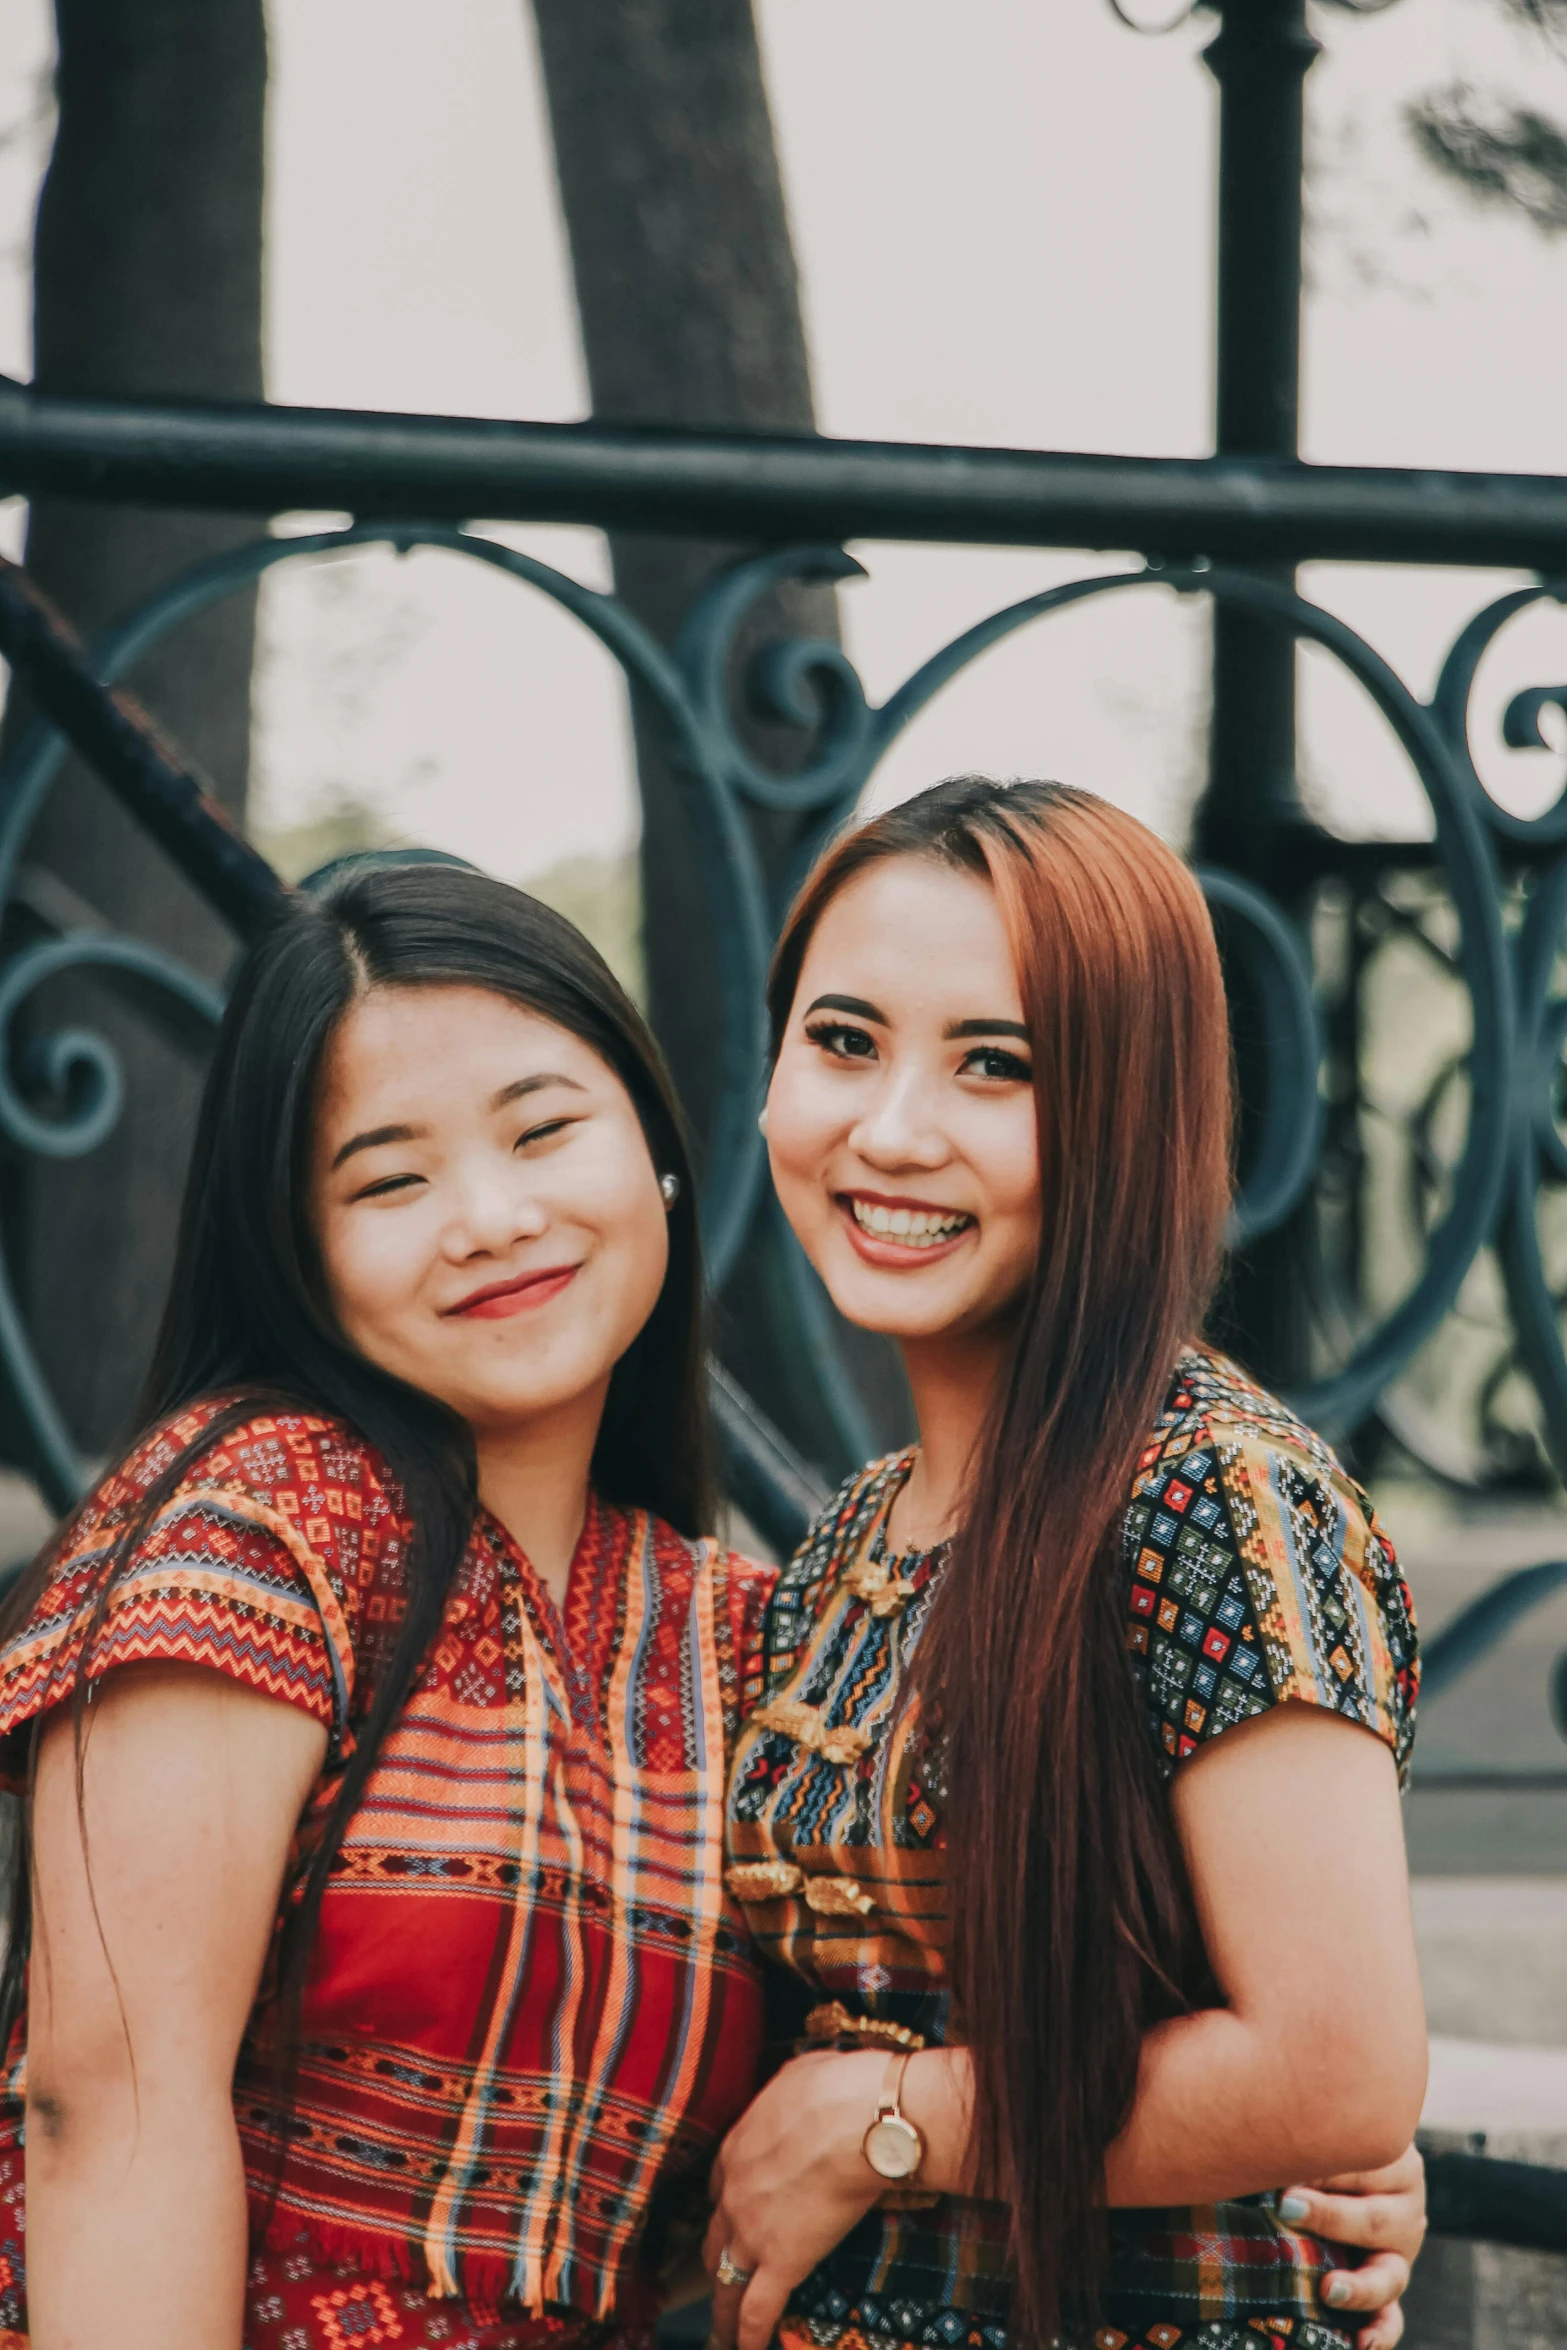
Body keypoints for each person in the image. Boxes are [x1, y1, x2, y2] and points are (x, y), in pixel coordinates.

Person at [0, 865, 774, 2350]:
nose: (489, 1216)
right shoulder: (264, 1508)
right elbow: (108, 2104)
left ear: (655, 1152)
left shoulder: (734, 1629)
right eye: (388, 1177)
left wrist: (1337, 2180)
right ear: (301, 1252)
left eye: (545, 1129)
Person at [707, 779, 1428, 2350]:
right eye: (841, 1041)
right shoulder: (849, 1534)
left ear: (1129, 1106)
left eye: (995, 1065)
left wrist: (887, 2120)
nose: (889, 1130)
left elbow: (1336, 2065)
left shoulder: (1213, 1497)